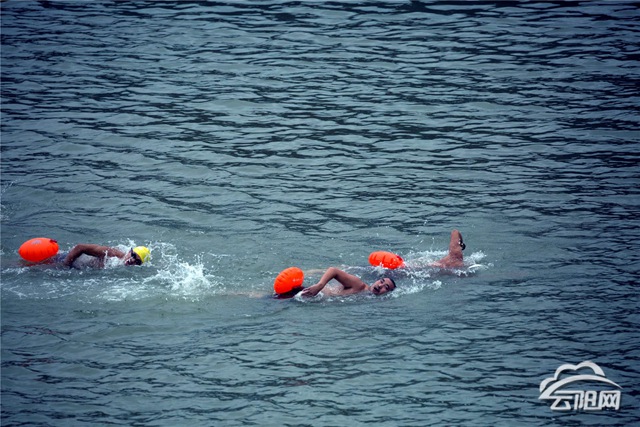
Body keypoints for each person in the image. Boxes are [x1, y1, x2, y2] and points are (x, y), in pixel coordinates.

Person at [300, 267, 396, 297]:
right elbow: (333, 270)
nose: (380, 285)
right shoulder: (359, 285)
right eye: (381, 281)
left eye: (386, 287)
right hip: (306, 292)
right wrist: (319, 286)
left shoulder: (365, 296)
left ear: (387, 293)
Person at [63, 244, 150, 268]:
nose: (132, 260)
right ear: (130, 251)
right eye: (133, 255)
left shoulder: (120, 265)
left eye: (137, 262)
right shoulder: (112, 254)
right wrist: (65, 266)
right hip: (64, 259)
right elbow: (80, 247)